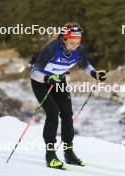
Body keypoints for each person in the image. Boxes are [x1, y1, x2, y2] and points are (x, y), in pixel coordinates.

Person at [30, 22, 107, 169]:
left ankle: (69, 153)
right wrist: (47, 78)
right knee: (52, 113)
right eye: (72, 43)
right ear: (63, 39)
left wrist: (95, 74)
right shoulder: (51, 48)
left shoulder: (79, 49)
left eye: (78, 43)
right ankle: (50, 155)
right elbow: (34, 72)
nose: (75, 46)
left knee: (67, 113)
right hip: (41, 82)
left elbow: (85, 65)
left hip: (59, 80)